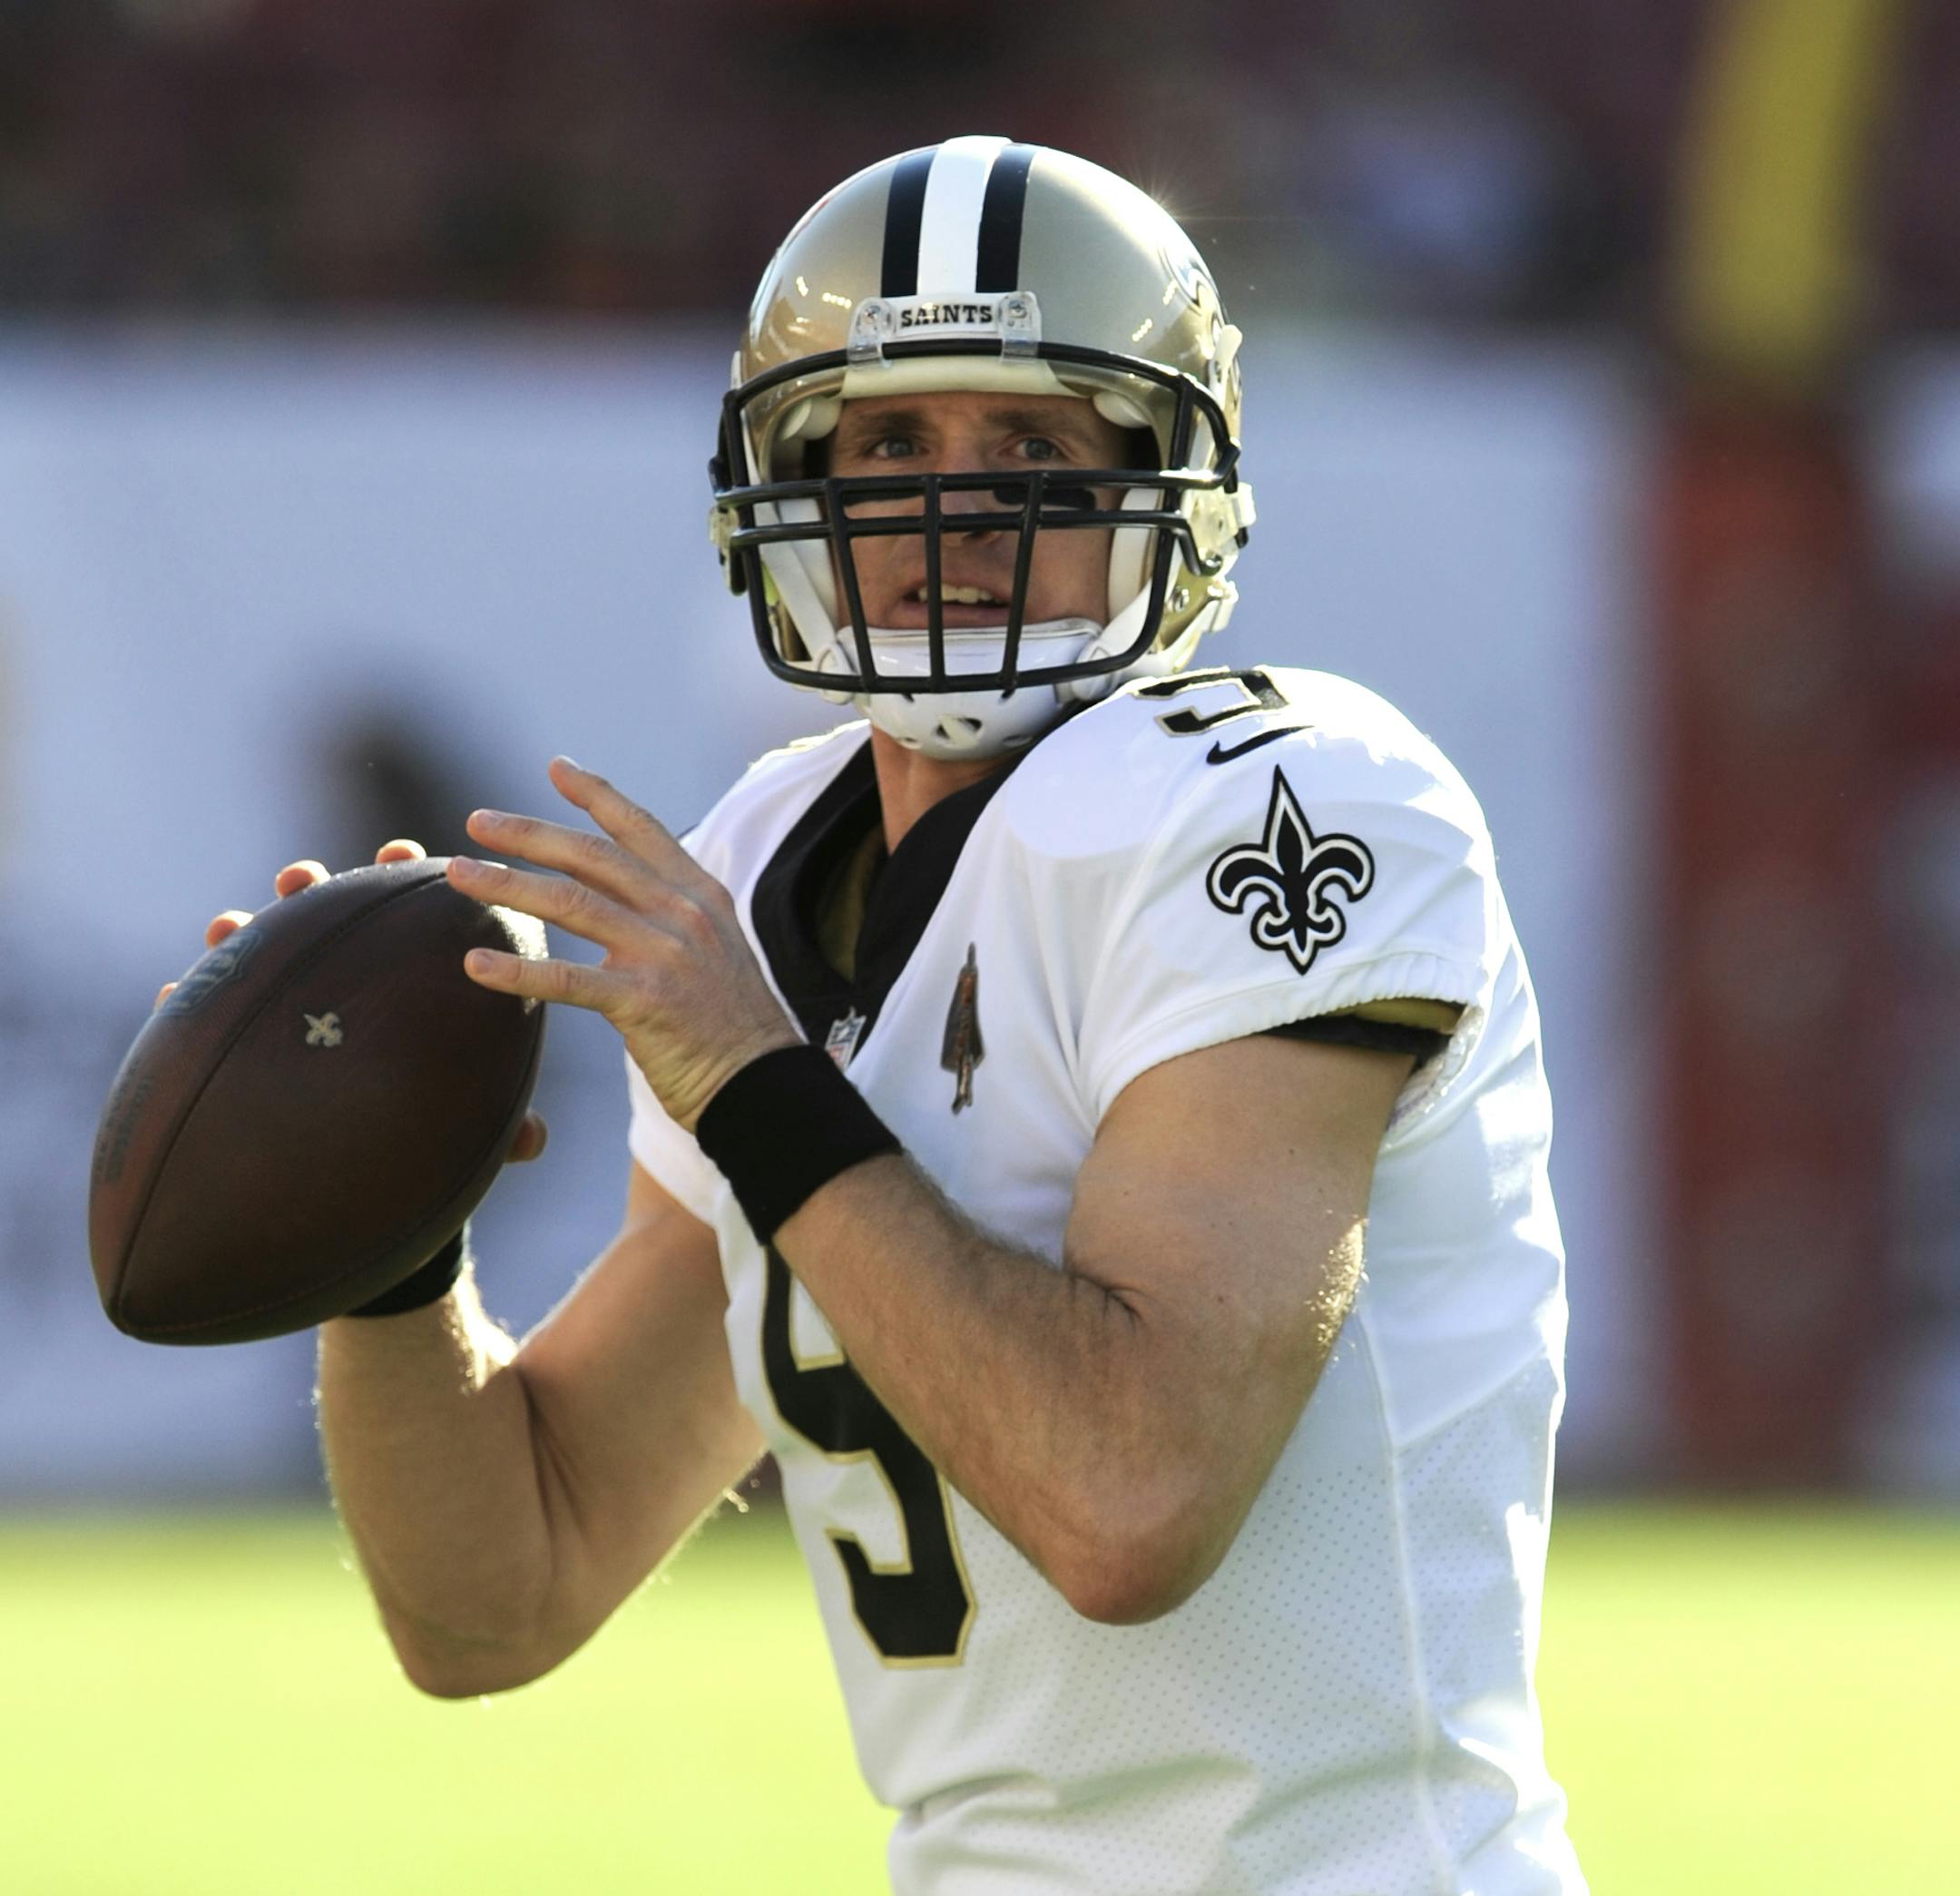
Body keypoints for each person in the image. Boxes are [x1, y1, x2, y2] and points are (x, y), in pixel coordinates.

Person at [178, 140, 1585, 1894]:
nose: (955, 506)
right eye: (891, 442)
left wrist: (752, 1074)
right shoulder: (764, 856)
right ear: (789, 487)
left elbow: (1130, 1501)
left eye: (1034, 448)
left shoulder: (1286, 794)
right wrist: (389, 1242)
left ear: (1171, 484)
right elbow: (499, 1596)